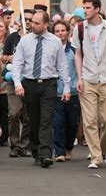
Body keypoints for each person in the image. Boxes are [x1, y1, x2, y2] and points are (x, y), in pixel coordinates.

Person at [12, 11, 71, 168]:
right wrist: (17, 83)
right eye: (32, 22)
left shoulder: (55, 42)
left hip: (49, 83)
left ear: (46, 24)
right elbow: (17, 63)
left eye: (37, 23)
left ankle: (45, 154)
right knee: (34, 120)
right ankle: (36, 150)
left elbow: (62, 65)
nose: (32, 25)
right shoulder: (25, 41)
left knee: (46, 120)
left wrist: (66, 86)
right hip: (29, 84)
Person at [72, 0, 106, 169]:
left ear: (97, 9)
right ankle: (96, 157)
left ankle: (103, 149)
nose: (84, 10)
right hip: (88, 78)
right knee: (89, 121)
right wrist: (79, 77)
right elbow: (77, 54)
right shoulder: (79, 28)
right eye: (84, 7)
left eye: (87, 8)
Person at [2, 9, 35, 158]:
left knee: (28, 115)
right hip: (13, 79)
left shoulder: (35, 38)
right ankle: (14, 145)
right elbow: (3, 57)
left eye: (30, 19)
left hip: (30, 80)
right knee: (14, 112)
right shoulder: (12, 38)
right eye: (25, 19)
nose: (27, 22)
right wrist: (10, 58)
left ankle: (26, 145)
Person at [51, 20, 80, 162]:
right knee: (58, 123)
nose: (60, 33)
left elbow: (79, 67)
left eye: (63, 30)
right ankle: (59, 151)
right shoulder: (51, 48)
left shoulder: (74, 49)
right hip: (55, 92)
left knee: (72, 123)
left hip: (73, 92)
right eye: (57, 31)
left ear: (68, 32)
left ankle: (69, 147)